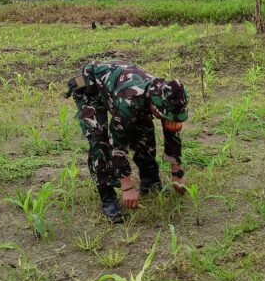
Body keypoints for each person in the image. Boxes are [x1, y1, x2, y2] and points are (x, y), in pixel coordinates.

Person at [66, 60, 188, 223]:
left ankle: (150, 182)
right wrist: (127, 187)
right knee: (99, 143)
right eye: (164, 116)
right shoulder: (128, 102)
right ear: (154, 106)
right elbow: (118, 146)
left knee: (144, 134)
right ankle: (107, 197)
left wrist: (177, 173)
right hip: (90, 89)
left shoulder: (168, 96)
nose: (168, 120)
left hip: (118, 86)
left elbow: (172, 132)